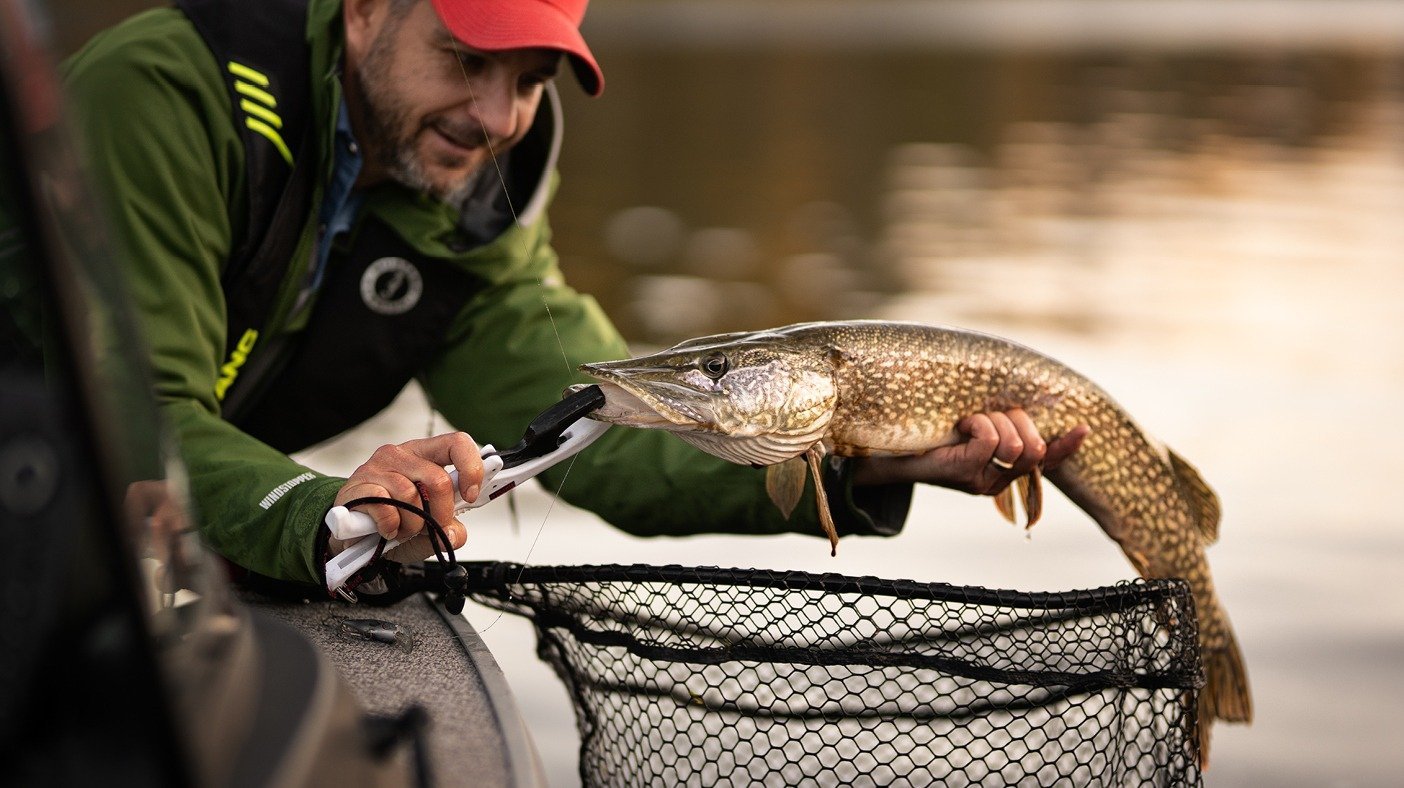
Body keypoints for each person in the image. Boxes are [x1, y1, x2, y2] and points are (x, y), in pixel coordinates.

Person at [56, 0, 1086, 591]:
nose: (497, 115)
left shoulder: (465, 204)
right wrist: (318, 506)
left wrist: (862, 464)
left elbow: (614, 436)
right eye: (465, 57)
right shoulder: (165, 97)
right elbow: (137, 417)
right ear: (366, 8)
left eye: (532, 76)